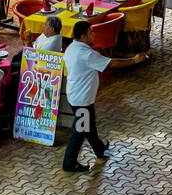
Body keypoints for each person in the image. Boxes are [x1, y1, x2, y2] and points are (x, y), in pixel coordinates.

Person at [62, 20, 147, 172]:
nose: (93, 34)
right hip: (82, 100)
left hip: (77, 96)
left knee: (89, 126)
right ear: (82, 36)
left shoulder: (71, 48)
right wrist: (133, 60)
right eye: (90, 32)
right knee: (79, 132)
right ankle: (69, 164)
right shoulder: (87, 54)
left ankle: (99, 149)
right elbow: (111, 64)